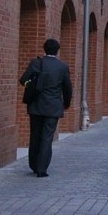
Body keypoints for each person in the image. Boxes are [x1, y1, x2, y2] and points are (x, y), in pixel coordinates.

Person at [19, 38, 73, 178]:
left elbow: (23, 80)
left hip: (36, 105)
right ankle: (42, 168)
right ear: (57, 50)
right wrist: (66, 103)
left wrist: (32, 84)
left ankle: (33, 164)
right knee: (47, 137)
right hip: (53, 106)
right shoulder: (62, 67)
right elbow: (67, 88)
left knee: (35, 135)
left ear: (44, 49)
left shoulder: (36, 63)